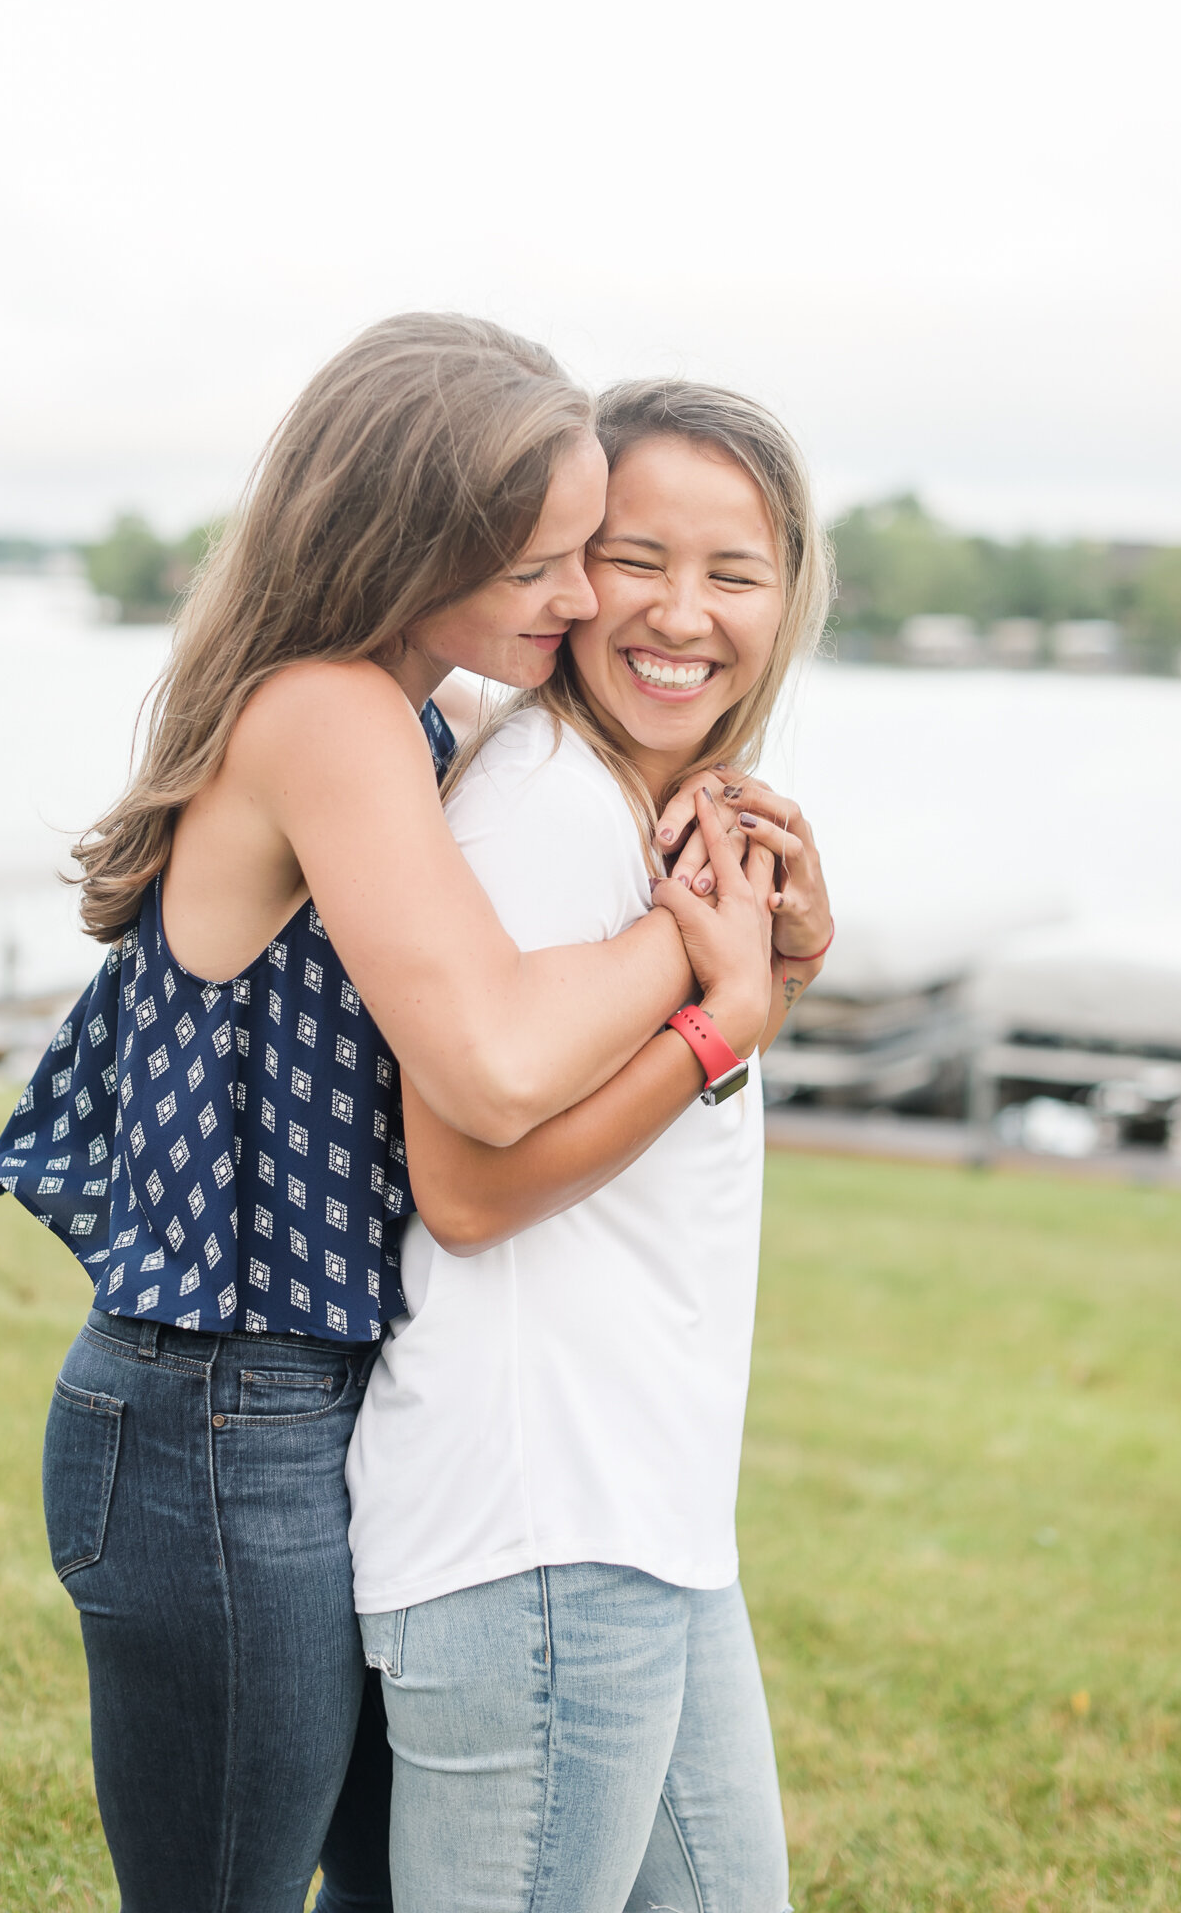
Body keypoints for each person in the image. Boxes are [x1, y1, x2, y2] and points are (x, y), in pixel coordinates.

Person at [0, 317, 770, 1913]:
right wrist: (707, 974)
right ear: (416, 545)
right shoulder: (326, 712)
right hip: (218, 1420)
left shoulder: (418, 727)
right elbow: (487, 1059)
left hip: (308, 1410)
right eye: (544, 560)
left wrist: (738, 929)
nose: (577, 599)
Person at [346, 377, 834, 1913]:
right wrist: (721, 1025)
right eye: (636, 556)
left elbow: (628, 1140)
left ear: (788, 598)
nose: (682, 614)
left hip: (649, 1516)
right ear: (562, 568)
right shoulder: (546, 806)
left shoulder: (643, 810)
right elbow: (472, 1189)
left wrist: (769, 980)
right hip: (541, 1525)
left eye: (734, 572)